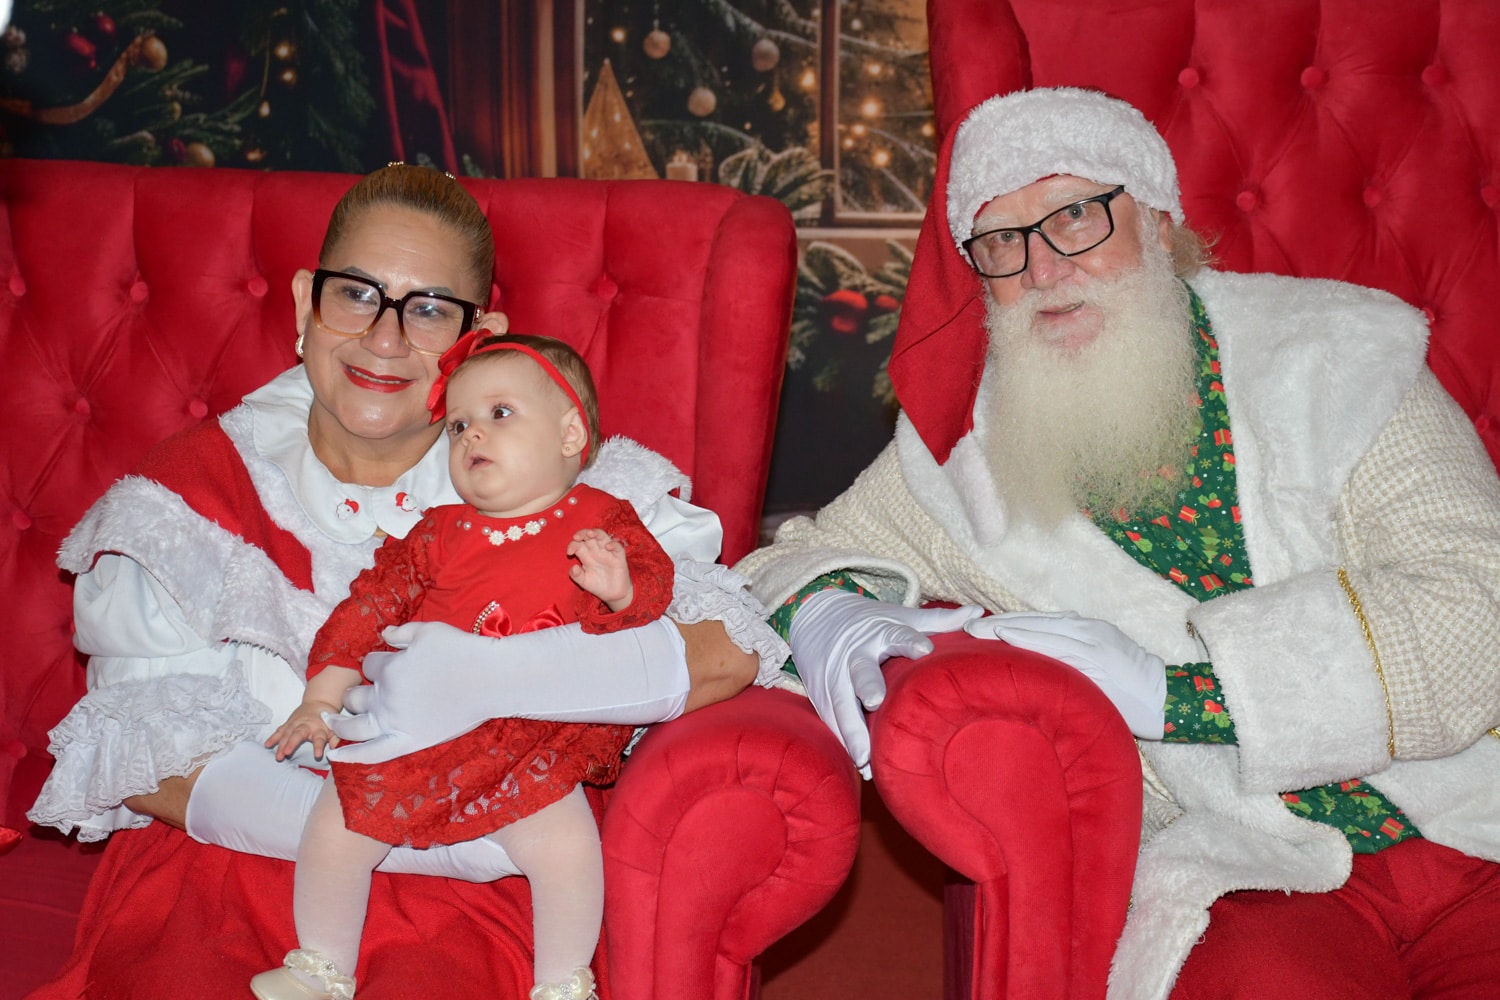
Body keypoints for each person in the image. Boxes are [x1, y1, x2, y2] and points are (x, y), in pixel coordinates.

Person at [732, 87, 1500, 999]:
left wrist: (1178, 696)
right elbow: (784, 564)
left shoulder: (1339, 353)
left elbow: (1479, 600)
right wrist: (825, 613)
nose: (1043, 269)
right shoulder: (960, 456)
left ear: (1160, 226)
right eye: (1001, 242)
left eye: (1075, 218)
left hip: (1473, 810)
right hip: (1256, 864)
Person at [28, 164, 782, 917]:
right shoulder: (187, 497)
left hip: (504, 881)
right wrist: (414, 837)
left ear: (478, 339)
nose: (384, 339)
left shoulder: (557, 482)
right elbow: (142, 753)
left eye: (428, 309)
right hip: (235, 876)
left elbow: (728, 651)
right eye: (356, 294)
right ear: (305, 303)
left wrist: (498, 677)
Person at [251, 333, 668, 1000]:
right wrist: (321, 698)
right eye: (457, 425)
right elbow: (368, 608)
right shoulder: (438, 532)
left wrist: (621, 588)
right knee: (338, 820)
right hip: (423, 732)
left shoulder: (599, 519)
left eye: (499, 413)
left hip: (531, 741)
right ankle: (320, 967)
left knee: (567, 847)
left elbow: (653, 599)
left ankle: (563, 983)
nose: (472, 434)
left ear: (569, 434)